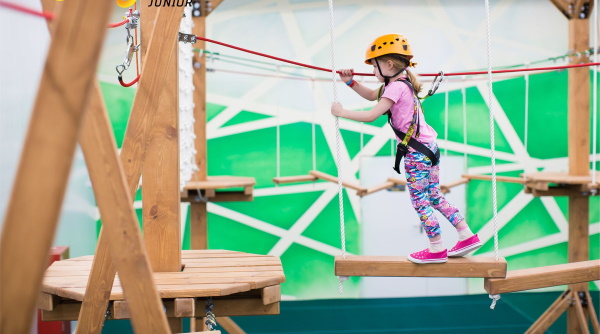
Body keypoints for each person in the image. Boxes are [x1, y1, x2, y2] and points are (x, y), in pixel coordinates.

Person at [330, 34, 481, 264]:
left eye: (374, 66)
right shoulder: (400, 84)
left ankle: (436, 248)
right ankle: (467, 235)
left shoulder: (395, 87)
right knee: (434, 196)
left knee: (420, 200)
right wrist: (350, 82)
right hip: (430, 147)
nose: (372, 71)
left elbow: (372, 115)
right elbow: (372, 95)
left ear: (388, 64)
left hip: (417, 153)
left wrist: (343, 113)